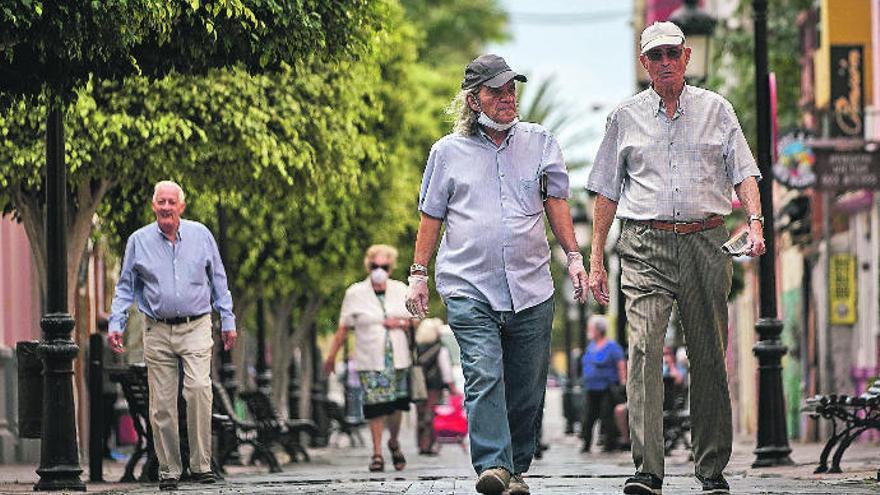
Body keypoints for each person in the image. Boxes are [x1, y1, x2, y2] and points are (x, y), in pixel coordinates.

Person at [586, 21, 766, 495]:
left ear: (686, 57)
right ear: (643, 64)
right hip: (644, 244)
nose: (665, 62)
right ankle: (648, 469)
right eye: (655, 56)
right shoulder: (624, 117)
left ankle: (711, 469)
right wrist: (596, 260)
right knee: (644, 349)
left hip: (706, 240)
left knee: (707, 354)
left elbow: (744, 171)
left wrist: (756, 221)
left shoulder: (716, 110)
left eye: (672, 53)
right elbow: (605, 190)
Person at [406, 53, 588, 495]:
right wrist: (417, 273)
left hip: (531, 286)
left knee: (526, 389)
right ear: (473, 100)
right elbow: (431, 217)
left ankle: (516, 468)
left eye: (511, 90)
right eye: (496, 91)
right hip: (469, 286)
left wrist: (576, 256)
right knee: (484, 373)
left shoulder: (541, 142)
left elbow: (557, 203)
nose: (508, 98)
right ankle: (492, 464)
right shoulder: (446, 153)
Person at [108, 180, 237, 491]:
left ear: (182, 206)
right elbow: (126, 286)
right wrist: (117, 322)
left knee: (197, 388)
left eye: (171, 201)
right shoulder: (139, 241)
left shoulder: (201, 235)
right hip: (157, 328)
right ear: (154, 206)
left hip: (196, 324)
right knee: (162, 403)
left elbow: (218, 278)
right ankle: (169, 469)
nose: (166, 207)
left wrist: (227, 319)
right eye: (161, 202)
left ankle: (201, 464)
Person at [323, 244, 416, 473]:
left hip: (398, 359)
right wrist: (332, 356)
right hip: (370, 359)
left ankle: (393, 442)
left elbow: (415, 318)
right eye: (375, 266)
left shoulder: (400, 289)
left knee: (395, 406)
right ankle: (376, 453)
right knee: (375, 406)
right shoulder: (355, 293)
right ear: (368, 266)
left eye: (384, 266)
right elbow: (343, 328)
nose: (379, 270)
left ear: (391, 268)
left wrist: (400, 323)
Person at [580, 315, 626, 453]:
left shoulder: (611, 346)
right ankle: (586, 443)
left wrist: (622, 382)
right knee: (588, 417)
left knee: (606, 416)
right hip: (591, 388)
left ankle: (609, 443)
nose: (589, 330)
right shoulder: (591, 346)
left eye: (591, 328)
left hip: (606, 387)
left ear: (599, 330)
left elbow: (621, 364)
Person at [413, 318, 458, 455]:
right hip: (434, 385)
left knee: (420, 415)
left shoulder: (417, 347)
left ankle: (421, 444)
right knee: (430, 414)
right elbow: (445, 370)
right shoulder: (439, 347)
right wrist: (452, 387)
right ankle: (429, 444)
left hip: (418, 384)